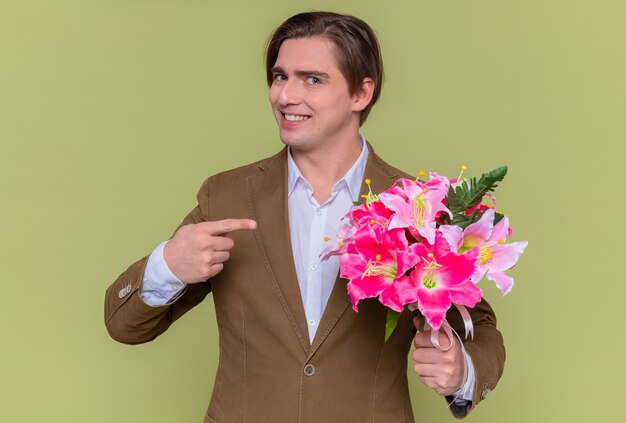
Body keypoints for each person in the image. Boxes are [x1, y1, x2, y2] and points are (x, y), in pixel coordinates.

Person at [104, 11, 505, 422]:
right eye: (280, 77)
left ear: (360, 94)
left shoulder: (416, 206)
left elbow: (480, 325)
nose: (285, 95)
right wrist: (167, 265)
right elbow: (126, 326)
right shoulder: (227, 196)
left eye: (312, 79)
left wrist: (463, 371)